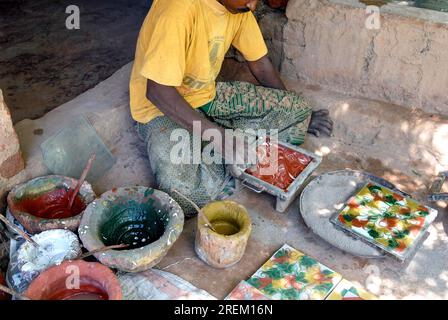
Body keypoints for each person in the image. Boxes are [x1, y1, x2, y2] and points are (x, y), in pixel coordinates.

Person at [130, 0, 333, 217]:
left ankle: (221, 155)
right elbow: (157, 91)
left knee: (299, 108)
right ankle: (227, 150)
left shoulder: (239, 7)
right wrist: (219, 137)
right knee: (183, 194)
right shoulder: (177, 10)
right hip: (162, 109)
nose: (253, 6)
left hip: (207, 97)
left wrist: (288, 108)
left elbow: (260, 62)